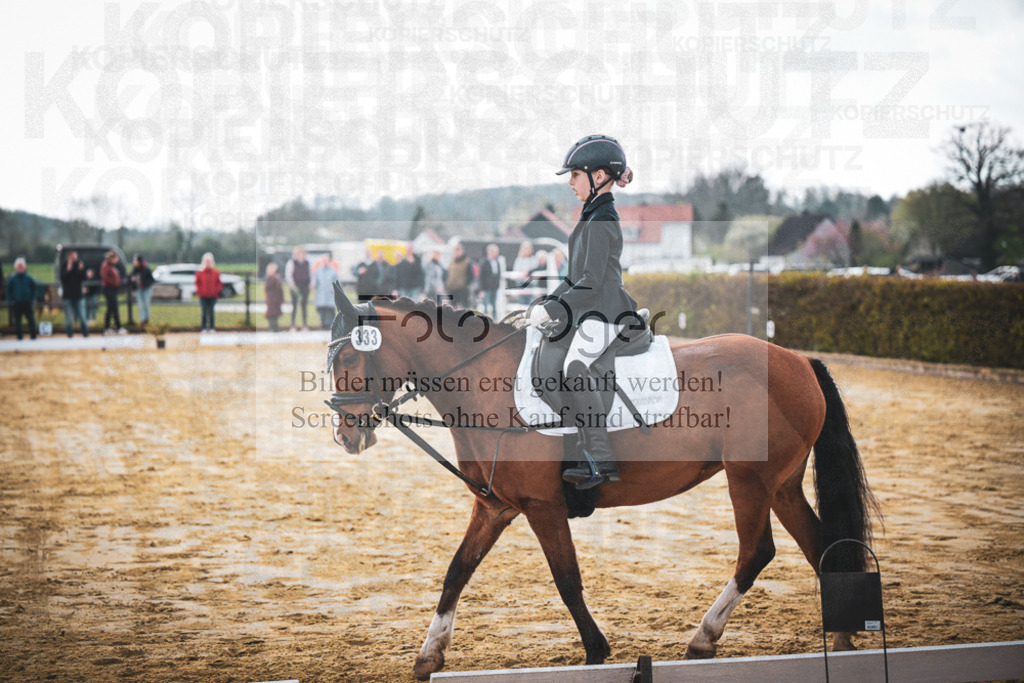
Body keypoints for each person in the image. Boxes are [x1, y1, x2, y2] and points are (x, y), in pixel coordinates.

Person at [524, 134, 638, 490]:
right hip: (589, 309)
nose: (570, 182)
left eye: (575, 174)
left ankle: (601, 458)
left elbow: (591, 281)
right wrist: (545, 304)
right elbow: (573, 277)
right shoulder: (591, 214)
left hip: (606, 311)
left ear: (599, 176)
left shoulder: (604, 218)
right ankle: (573, 446)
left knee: (576, 365)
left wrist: (556, 307)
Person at [6, 257, 38, 340]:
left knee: (31, 320)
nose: (20, 267)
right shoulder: (12, 279)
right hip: (16, 302)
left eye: (21, 265)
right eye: (19, 266)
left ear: (25, 267)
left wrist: (32, 299)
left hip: (27, 302)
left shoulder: (29, 278)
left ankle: (33, 336)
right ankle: (19, 337)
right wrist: (11, 300)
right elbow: (8, 290)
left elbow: (34, 288)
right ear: (15, 267)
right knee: (17, 321)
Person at [60, 251, 89, 337]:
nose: (74, 258)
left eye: (75, 256)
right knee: (68, 318)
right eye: (72, 256)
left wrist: (81, 269)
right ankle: (69, 334)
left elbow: (84, 278)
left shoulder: (79, 265)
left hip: (78, 295)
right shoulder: (64, 266)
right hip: (67, 296)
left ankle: (85, 333)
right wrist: (68, 270)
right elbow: (62, 278)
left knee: (83, 316)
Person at [195, 252, 223, 332]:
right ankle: (203, 327)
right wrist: (200, 292)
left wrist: (216, 291)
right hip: (203, 296)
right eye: (206, 261)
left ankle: (212, 327)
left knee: (211, 312)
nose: (208, 263)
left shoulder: (216, 273)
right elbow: (197, 283)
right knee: (204, 312)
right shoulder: (200, 273)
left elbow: (219, 283)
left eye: (209, 261)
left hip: (213, 296)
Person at [285, 246, 311, 331]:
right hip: (295, 287)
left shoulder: (308, 263)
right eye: (299, 253)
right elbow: (288, 275)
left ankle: (305, 325)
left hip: (305, 286)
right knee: (294, 306)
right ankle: (293, 325)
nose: (301, 255)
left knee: (304, 306)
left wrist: (311, 285)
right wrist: (293, 286)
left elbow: (312, 274)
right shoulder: (292, 262)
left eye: (302, 253)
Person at [100, 251, 125, 335]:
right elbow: (105, 278)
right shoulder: (106, 266)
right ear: (112, 258)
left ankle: (109, 327)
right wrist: (115, 282)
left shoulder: (111, 266)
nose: (117, 260)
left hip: (113, 289)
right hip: (109, 289)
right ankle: (115, 327)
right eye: (116, 258)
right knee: (112, 308)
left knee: (111, 308)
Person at [312, 254, 339, 330]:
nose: (324, 262)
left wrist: (334, 289)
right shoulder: (318, 271)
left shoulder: (333, 271)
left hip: (330, 296)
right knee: (322, 314)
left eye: (326, 260)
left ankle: (331, 327)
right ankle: (323, 326)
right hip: (321, 296)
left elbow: (337, 282)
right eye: (323, 261)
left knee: (330, 314)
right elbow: (315, 282)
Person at [477, 243, 505, 318]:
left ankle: (495, 321)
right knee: (485, 306)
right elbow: (481, 277)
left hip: (494, 287)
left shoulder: (497, 262)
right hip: (486, 288)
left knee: (494, 306)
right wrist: (481, 289)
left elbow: (498, 275)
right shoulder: (484, 262)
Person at [445, 242, 473, 308]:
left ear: (462, 251)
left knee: (464, 307)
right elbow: (448, 274)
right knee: (452, 308)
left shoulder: (467, 262)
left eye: (458, 250)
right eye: (455, 250)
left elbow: (471, 276)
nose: (457, 252)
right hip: (452, 289)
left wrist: (466, 284)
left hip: (463, 289)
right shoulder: (451, 262)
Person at [131, 254, 155, 330]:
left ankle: (146, 320)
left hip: (146, 289)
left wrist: (144, 282)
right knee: (141, 306)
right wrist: (132, 279)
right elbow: (130, 276)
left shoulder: (146, 269)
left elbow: (152, 280)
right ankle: (142, 320)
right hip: (139, 289)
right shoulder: (135, 269)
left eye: (135, 261)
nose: (134, 262)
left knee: (146, 305)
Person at [263, 262, 284, 332]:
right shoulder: (269, 278)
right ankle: (272, 328)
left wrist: (281, 298)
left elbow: (280, 289)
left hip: (276, 299)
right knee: (271, 314)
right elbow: (268, 287)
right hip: (271, 299)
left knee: (275, 314)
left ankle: (275, 328)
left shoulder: (277, 278)